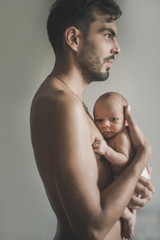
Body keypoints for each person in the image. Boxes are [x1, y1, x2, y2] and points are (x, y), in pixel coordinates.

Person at [30, 1, 154, 240]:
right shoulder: (62, 104)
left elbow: (99, 194)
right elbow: (92, 229)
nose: (117, 48)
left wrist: (131, 190)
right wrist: (142, 157)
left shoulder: (71, 101)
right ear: (74, 39)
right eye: (108, 35)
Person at [93, 92, 150, 238]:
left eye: (113, 119)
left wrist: (106, 151)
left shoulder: (121, 137)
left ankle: (129, 217)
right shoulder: (111, 136)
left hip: (132, 178)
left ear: (126, 121)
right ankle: (130, 214)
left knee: (117, 201)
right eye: (99, 120)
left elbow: (124, 160)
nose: (105, 124)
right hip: (124, 177)